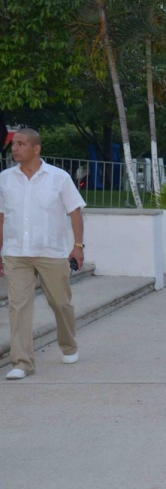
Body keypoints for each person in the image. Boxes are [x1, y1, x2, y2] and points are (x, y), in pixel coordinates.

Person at [0, 128, 86, 380]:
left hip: (51, 252)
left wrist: (78, 246)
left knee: (60, 303)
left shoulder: (58, 178)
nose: (15, 148)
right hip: (16, 253)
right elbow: (2, 217)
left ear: (36, 149)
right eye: (13, 144)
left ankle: (69, 345)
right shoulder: (4, 179)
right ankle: (22, 362)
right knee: (18, 307)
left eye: (21, 144)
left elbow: (75, 212)